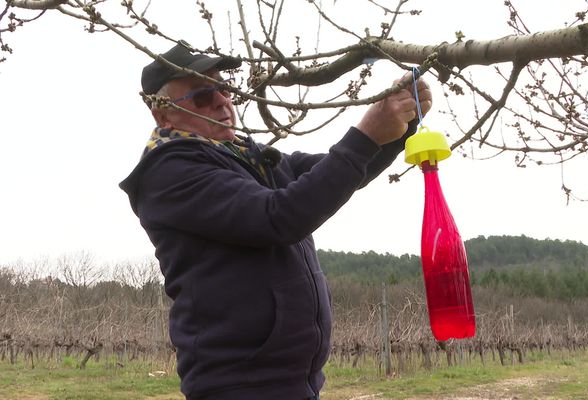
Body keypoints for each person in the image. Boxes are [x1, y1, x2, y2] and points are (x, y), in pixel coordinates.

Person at [120, 42, 432, 400]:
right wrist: (368, 134)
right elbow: (279, 216)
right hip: (240, 387)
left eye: (226, 88)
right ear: (163, 115)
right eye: (204, 96)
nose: (223, 101)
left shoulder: (245, 158)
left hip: (292, 383)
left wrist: (399, 127)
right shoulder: (172, 173)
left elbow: (338, 172)